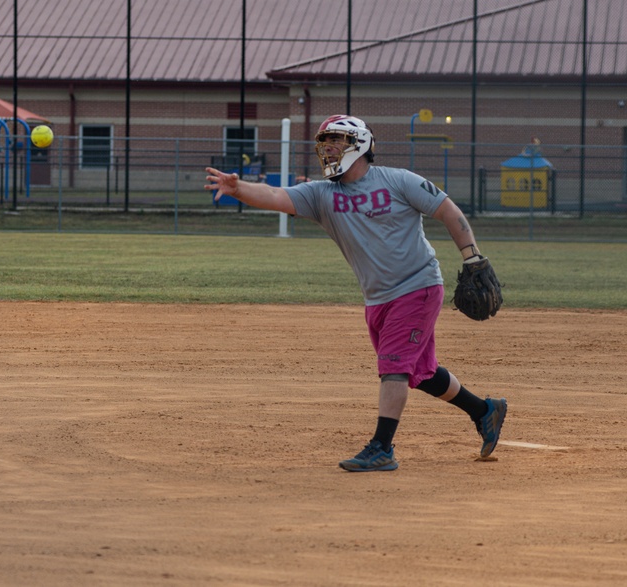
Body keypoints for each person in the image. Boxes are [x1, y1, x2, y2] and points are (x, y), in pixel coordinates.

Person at [205, 115, 506, 472]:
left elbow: (448, 210)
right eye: (325, 142)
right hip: (377, 298)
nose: (329, 148)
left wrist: (472, 257)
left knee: (393, 366)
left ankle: (382, 447)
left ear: (360, 143)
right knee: (421, 373)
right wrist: (238, 188)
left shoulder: (398, 181)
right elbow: (275, 195)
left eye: (336, 140)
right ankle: (484, 411)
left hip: (418, 287)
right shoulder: (322, 195)